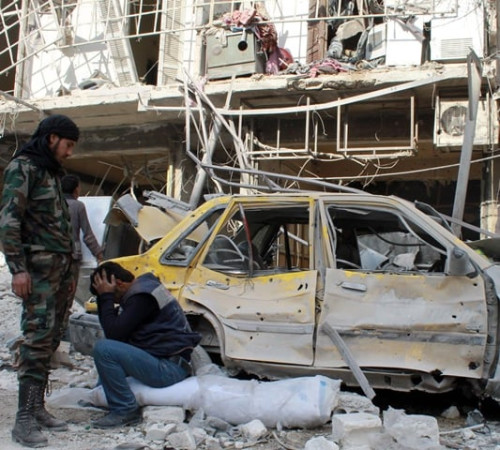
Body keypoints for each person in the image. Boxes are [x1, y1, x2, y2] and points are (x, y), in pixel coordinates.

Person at [0, 114, 79, 447]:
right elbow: (9, 221)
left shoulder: (50, 172)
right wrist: (18, 269)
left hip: (60, 270)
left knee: (51, 337)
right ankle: (23, 420)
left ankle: (37, 408)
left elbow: (60, 226)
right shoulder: (23, 169)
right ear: (51, 139)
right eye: (68, 145)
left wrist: (70, 270)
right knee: (37, 338)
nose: (70, 153)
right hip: (37, 271)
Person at [89, 261, 201, 429]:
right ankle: (106, 398)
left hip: (169, 368)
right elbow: (117, 334)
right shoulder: (145, 287)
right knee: (110, 353)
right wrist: (104, 297)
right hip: (167, 361)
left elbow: (113, 333)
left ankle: (124, 409)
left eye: (114, 296)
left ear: (118, 283)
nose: (115, 301)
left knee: (104, 350)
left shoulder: (142, 297)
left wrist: (106, 297)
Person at [61, 174, 103, 293]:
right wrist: (99, 254)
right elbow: (88, 235)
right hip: (72, 255)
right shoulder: (78, 206)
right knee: (69, 291)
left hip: (53, 255)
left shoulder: (52, 204)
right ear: (76, 189)